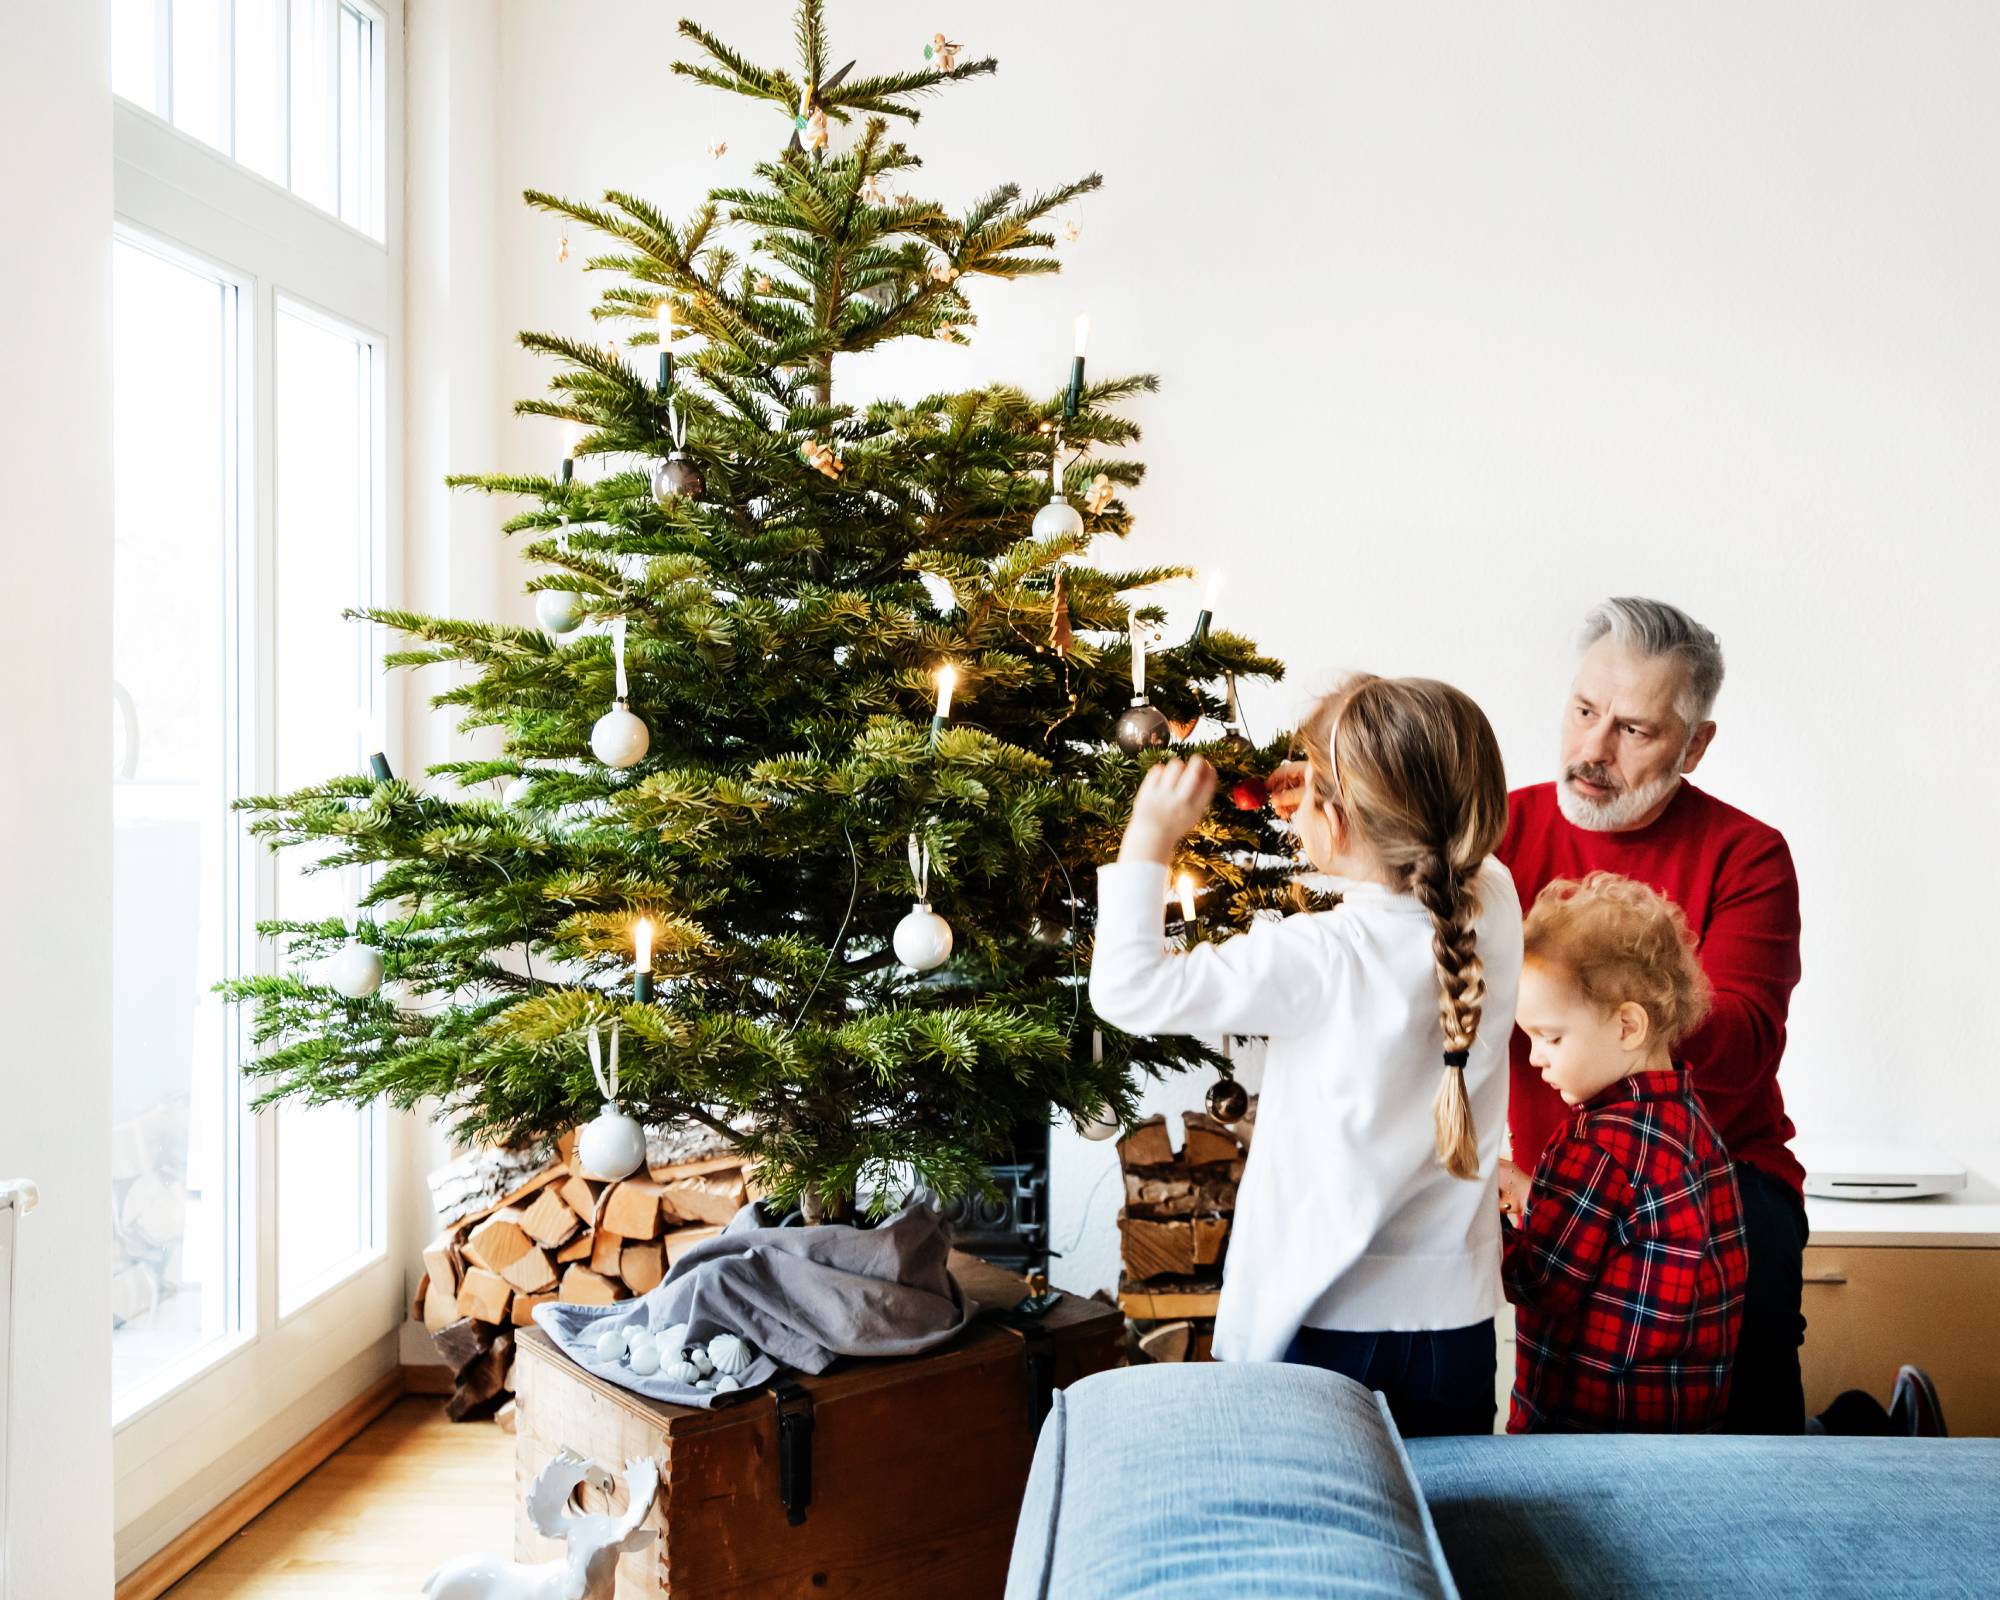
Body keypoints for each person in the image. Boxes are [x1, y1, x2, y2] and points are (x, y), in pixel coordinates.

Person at [1091, 676, 1522, 1437]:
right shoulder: (1496, 904)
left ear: (1341, 818)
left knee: (1307, 1509)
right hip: (1454, 1326)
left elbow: (1127, 989)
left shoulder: (1321, 956)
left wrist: (1150, 836)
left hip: (1321, 1324)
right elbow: (1422, 810)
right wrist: (1338, 785)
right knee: (1446, 1502)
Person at [1491, 597, 1808, 1433]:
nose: (1593, 750)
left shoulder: (1749, 855)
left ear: (1694, 746)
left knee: (1744, 1429)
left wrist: (1613, 987)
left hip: (1722, 1174)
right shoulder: (1495, 835)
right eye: (1584, 711)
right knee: (1568, 1388)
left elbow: (1742, 1048)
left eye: (1633, 730)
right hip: (1565, 1174)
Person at [1496, 872, 1748, 1432]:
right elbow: (1619, 1233)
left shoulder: (1593, 1147)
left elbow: (1541, 1281)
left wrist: (1478, 1225)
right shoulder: (1691, 1120)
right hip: (1683, 1419)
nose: (1534, 1058)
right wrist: (1534, 1196)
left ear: (1628, 1025)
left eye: (1550, 1037)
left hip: (1589, 1429)